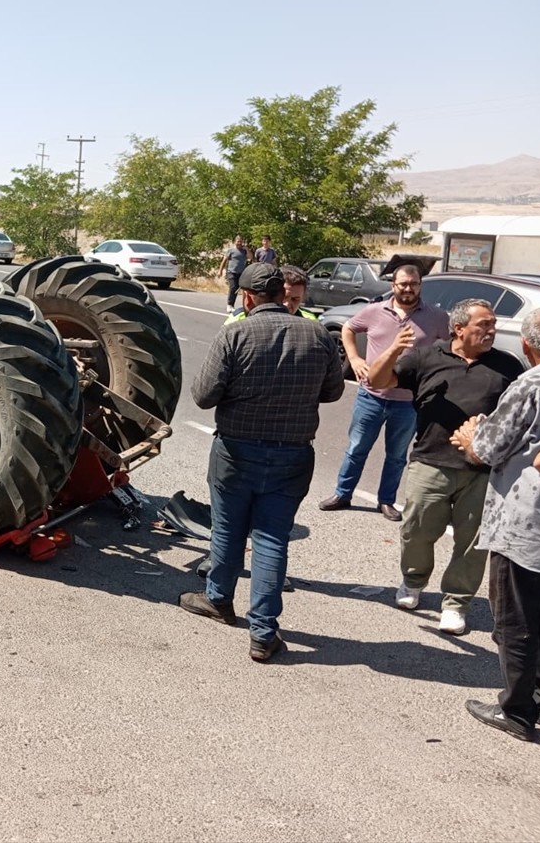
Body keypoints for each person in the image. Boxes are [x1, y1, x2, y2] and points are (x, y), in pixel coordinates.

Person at [181, 264, 345, 662]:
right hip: (292, 453)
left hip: (236, 450)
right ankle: (263, 633)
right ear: (279, 293)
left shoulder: (235, 333)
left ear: (247, 297)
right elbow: (334, 391)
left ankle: (219, 600)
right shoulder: (318, 334)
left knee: (227, 529)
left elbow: (203, 396)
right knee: (272, 539)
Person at [366, 299, 524, 635]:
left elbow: (520, 416)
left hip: (482, 470)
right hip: (430, 460)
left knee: (472, 542)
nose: (491, 330)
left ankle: (456, 602)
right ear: (459, 328)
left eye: (493, 324)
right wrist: (394, 349)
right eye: (484, 324)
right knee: (416, 530)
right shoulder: (427, 357)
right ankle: (413, 581)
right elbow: (379, 381)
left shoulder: (508, 366)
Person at [449, 307, 540, 742]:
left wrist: (471, 436)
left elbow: (489, 449)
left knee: (514, 619)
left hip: (527, 520)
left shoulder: (533, 382)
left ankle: (516, 711)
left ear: (527, 346)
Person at [320, 265, 449, 521]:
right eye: (403, 284)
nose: (408, 288)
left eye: (413, 284)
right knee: (357, 448)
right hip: (371, 396)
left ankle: (386, 501)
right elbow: (348, 328)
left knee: (396, 456)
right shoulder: (374, 311)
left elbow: (449, 348)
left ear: (420, 285)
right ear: (393, 286)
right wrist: (355, 358)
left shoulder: (436, 316)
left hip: (408, 402)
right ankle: (343, 493)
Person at [223, 265, 317, 323]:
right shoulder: (238, 319)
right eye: (284, 297)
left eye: (295, 299)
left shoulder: (310, 321)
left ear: (303, 298)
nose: (287, 304)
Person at [218, 235, 249, 310]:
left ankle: (233, 305)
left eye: (240, 241)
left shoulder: (244, 251)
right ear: (235, 242)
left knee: (237, 289)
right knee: (233, 287)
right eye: (238, 241)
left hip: (241, 273)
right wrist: (220, 270)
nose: (239, 243)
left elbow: (251, 257)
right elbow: (224, 260)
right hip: (231, 272)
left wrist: (247, 249)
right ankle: (229, 304)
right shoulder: (231, 250)